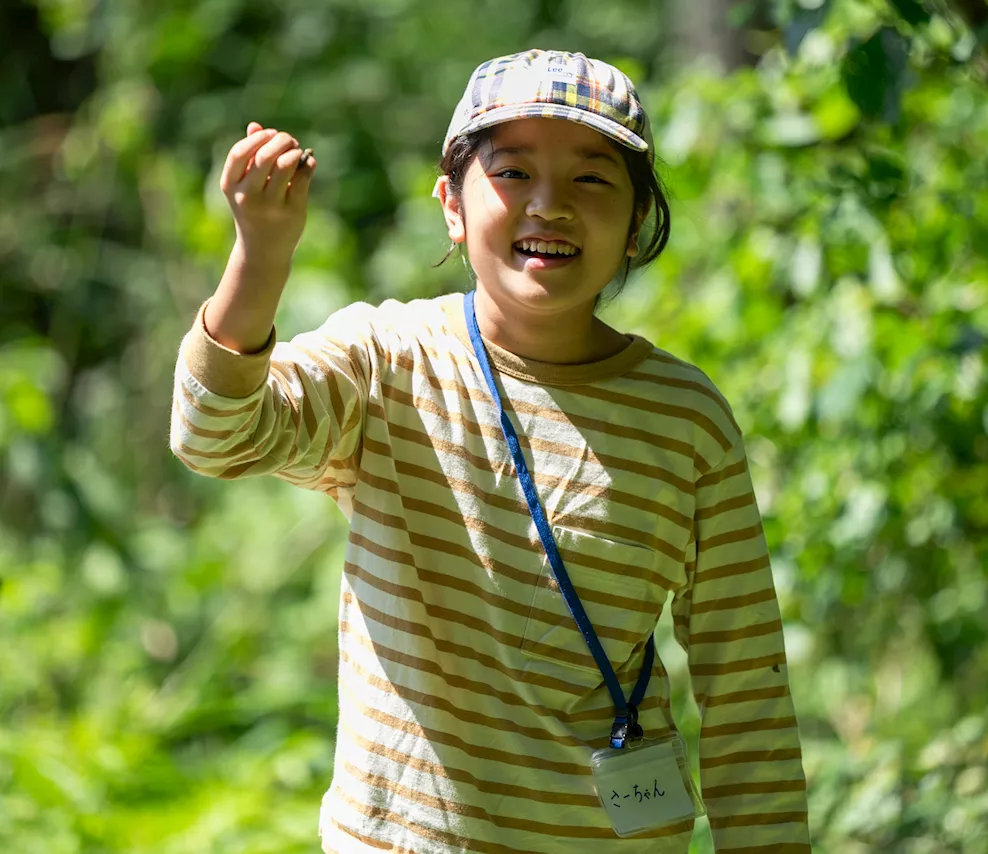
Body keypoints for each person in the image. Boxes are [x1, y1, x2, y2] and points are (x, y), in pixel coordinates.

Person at [170, 49, 809, 853]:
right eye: (511, 173)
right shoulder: (389, 360)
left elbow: (746, 686)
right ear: (452, 206)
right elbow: (214, 435)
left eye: (592, 179)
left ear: (639, 222)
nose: (551, 205)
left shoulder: (686, 419)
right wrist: (260, 255)